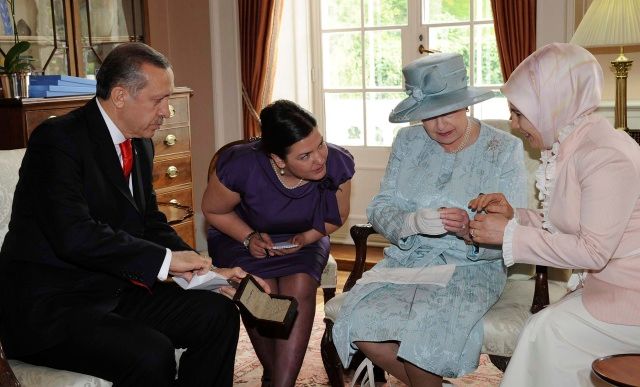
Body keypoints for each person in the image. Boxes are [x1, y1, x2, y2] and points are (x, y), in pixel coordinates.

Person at [0, 42, 268, 387]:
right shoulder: (57, 141)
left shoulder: (140, 142)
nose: (167, 112)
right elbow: (74, 235)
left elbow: (149, 222)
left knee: (217, 315)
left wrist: (207, 271)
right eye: (159, 100)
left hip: (113, 291)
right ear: (121, 95)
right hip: (54, 309)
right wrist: (168, 261)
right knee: (150, 352)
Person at [331, 52, 528, 386]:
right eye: (428, 115)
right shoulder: (407, 142)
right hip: (407, 264)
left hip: (472, 268)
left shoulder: (502, 149)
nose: (440, 125)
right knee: (356, 320)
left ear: (466, 104)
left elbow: (515, 227)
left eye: (448, 110)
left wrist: (469, 230)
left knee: (425, 336)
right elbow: (382, 204)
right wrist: (411, 223)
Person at [468, 42, 640, 386]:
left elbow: (592, 250)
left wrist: (509, 235)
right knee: (542, 330)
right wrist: (514, 215)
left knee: (542, 332)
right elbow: (570, 223)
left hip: (630, 299)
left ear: (552, 105)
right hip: (609, 287)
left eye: (518, 112)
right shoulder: (577, 144)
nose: (513, 124)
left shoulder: (605, 155)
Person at [203, 99, 355, 387]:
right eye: (305, 156)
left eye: (320, 144)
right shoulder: (242, 164)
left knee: (299, 286)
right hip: (240, 235)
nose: (320, 159)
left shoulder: (337, 162)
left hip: (306, 237)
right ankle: (275, 375)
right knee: (262, 292)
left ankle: (281, 383)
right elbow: (213, 211)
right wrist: (248, 238)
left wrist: (307, 238)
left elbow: (338, 216)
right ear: (278, 159)